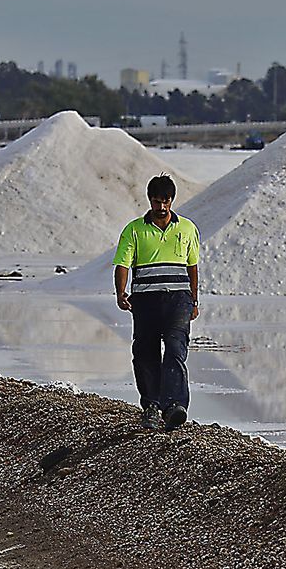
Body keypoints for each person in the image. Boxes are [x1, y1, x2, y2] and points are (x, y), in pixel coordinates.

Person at [113, 175, 201, 430]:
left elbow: (192, 265)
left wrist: (194, 299)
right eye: (156, 202)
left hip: (178, 300)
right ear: (149, 200)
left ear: (171, 201)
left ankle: (174, 406)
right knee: (145, 352)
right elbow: (123, 264)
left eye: (165, 202)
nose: (161, 207)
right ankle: (151, 406)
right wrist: (120, 292)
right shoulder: (134, 230)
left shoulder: (187, 228)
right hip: (146, 300)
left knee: (175, 349)